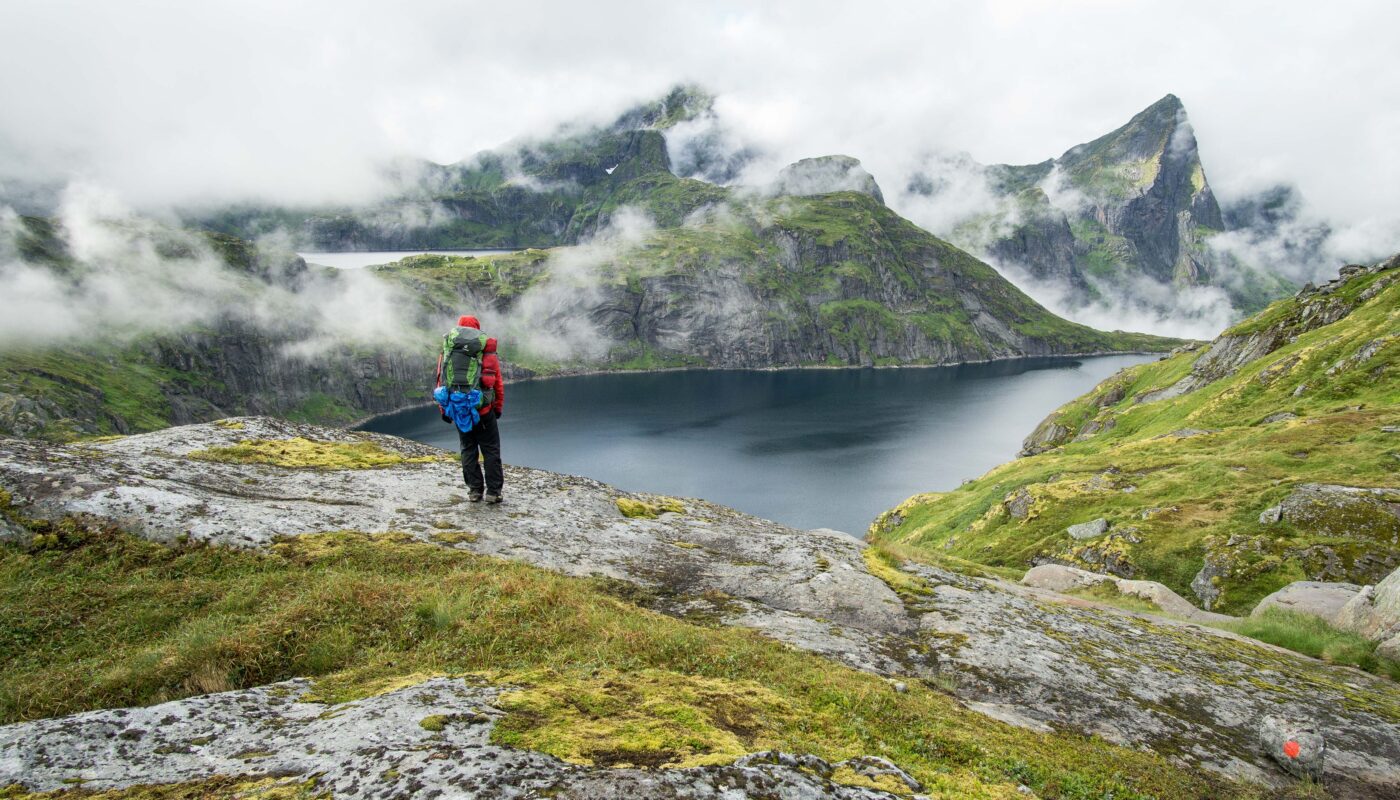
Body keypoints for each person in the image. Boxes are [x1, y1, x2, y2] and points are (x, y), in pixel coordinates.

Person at [435, 314, 505, 503]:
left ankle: (475, 491)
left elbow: (441, 381)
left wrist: (444, 409)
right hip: (482, 410)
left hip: (459, 410)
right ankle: (493, 492)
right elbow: (497, 383)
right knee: (490, 449)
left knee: (468, 449)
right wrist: (497, 408)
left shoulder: (448, 349)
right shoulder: (484, 350)